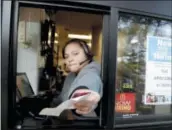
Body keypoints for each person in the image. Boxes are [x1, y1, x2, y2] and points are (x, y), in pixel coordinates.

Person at [51, 38, 103, 119]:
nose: (70, 59)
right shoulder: (71, 75)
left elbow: (86, 86)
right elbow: (62, 98)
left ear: (87, 54)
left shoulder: (91, 73)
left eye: (75, 54)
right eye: (66, 56)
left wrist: (82, 98)